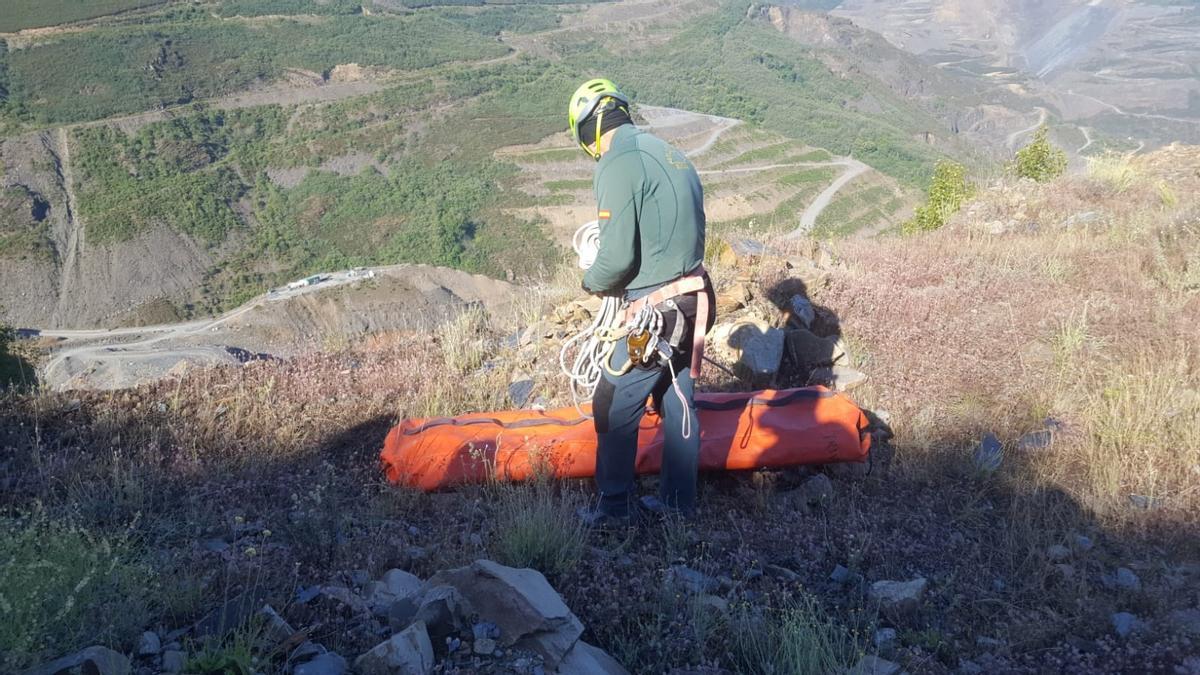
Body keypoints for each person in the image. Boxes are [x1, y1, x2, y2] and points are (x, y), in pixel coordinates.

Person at [567, 78, 716, 527]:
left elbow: (615, 259)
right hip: (694, 299)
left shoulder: (617, 162)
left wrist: (590, 282)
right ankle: (678, 505)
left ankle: (613, 511)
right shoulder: (669, 153)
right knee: (677, 397)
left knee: (612, 402)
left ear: (587, 130)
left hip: (656, 309)